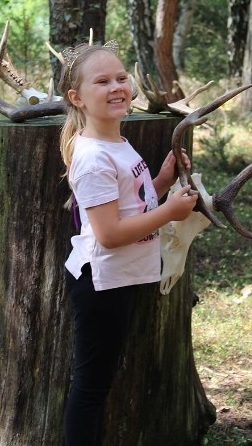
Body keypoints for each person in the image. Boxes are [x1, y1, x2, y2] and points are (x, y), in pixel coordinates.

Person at [57, 41, 198, 446]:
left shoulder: (116, 141)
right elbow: (110, 233)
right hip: (100, 281)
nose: (116, 86)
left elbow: (130, 204)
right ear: (77, 98)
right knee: (91, 386)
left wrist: (161, 182)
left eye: (121, 77)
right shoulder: (92, 157)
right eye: (102, 81)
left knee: (101, 376)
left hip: (120, 278)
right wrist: (170, 212)